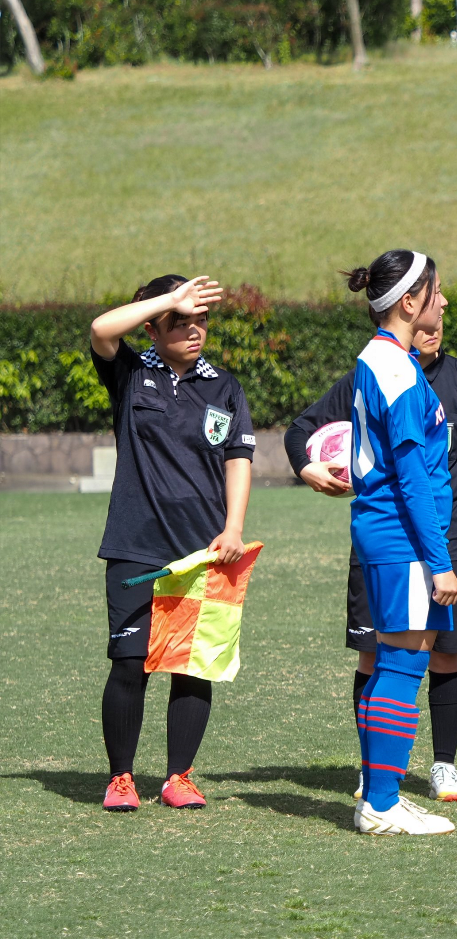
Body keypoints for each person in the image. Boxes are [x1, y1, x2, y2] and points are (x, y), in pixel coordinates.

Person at [284, 313, 457, 806]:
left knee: (447, 652)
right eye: (425, 310)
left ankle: (443, 765)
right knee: (376, 654)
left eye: (439, 315)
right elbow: (301, 430)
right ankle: (375, 773)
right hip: (389, 545)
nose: (434, 322)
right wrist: (308, 468)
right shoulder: (374, 372)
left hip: (450, 540)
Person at [89, 274, 256, 812]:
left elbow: (238, 459)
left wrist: (233, 528)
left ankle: (179, 776)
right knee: (129, 661)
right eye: (181, 322)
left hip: (203, 551)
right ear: (155, 324)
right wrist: (168, 300)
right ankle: (121, 778)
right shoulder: (132, 374)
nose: (194, 329)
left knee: (191, 664)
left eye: (200, 320)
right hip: (136, 544)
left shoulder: (224, 387)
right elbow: (101, 329)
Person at [343, 249, 457, 836]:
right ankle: (383, 804)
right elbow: (412, 478)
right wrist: (440, 562)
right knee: (404, 662)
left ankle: (380, 794)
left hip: (389, 530)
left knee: (396, 658)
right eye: (435, 292)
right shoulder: (394, 367)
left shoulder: (389, 359)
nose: (442, 302)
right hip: (402, 534)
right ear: (409, 302)